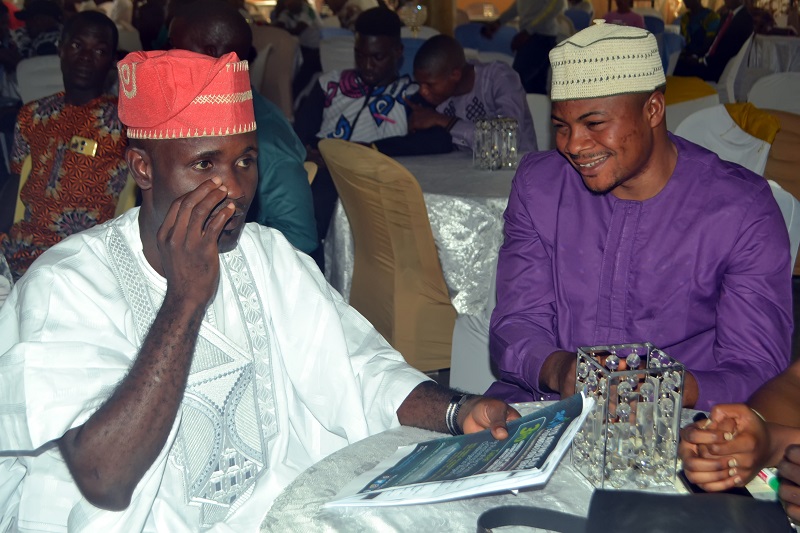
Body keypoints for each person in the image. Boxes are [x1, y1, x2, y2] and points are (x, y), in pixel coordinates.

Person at [0, 48, 518, 531]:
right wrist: (185, 299)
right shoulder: (67, 285)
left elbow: (360, 369)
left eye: (245, 161)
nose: (234, 188)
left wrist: (456, 411)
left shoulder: (266, 255)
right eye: (204, 164)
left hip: (282, 511)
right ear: (143, 167)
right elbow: (104, 480)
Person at [486, 20, 791, 411]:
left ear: (653, 109)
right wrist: (561, 370)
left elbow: (756, 369)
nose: (574, 145)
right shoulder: (541, 186)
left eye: (594, 123)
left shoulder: (740, 209)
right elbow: (516, 323)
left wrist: (656, 385)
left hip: (680, 422)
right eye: (561, 126)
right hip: (547, 406)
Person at [169, 0, 319, 257]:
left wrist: (220, 258)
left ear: (209, 55)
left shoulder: (265, 136)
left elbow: (299, 237)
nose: (166, 58)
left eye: (174, 49)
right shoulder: (191, 114)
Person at [293, 7, 450, 248]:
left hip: (370, 183)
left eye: (377, 57)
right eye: (360, 55)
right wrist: (311, 150)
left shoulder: (409, 96)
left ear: (398, 52)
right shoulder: (330, 85)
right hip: (319, 171)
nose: (366, 65)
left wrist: (368, 150)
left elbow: (440, 140)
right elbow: (298, 134)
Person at [1, 11, 128, 281]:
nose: (85, 57)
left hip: (83, 256)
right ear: (60, 48)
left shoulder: (125, 123)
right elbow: (16, 179)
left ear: (111, 61)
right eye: (77, 45)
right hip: (23, 247)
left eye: (99, 50)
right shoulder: (33, 114)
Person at [412, 34, 537, 153]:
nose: (423, 91)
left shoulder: (499, 78)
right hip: (462, 166)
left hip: (520, 165)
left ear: (455, 75)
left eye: (429, 85)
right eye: (419, 84)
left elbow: (506, 142)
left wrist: (444, 121)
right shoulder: (436, 95)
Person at [481, 0, 562, 94]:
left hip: (542, 37)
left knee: (517, 80)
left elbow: (557, 4)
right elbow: (518, 5)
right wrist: (499, 22)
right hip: (530, 35)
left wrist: (528, 31)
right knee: (532, 86)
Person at [673, 0, 753, 83]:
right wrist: (696, 56)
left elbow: (728, 51)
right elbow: (714, 44)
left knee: (677, 66)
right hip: (709, 61)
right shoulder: (726, 16)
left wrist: (702, 61)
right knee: (677, 62)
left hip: (717, 69)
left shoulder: (744, 20)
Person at [273, 0, 322, 98]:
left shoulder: (308, 11)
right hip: (301, 48)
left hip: (317, 49)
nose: (289, 3)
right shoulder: (287, 13)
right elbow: (278, 27)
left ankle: (295, 97)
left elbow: (298, 30)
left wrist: (282, 30)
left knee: (304, 76)